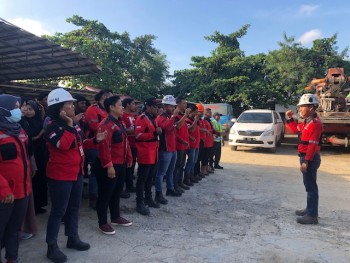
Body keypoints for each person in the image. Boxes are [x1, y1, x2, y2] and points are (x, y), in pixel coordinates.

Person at [44, 88, 106, 263]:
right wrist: (70, 126)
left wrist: (95, 140)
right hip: (60, 175)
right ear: (59, 108)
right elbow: (63, 146)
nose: (73, 106)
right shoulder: (52, 126)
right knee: (58, 211)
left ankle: (73, 238)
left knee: (73, 209)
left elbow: (79, 144)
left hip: (77, 173)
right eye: (69, 103)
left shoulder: (74, 124)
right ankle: (52, 246)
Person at [94, 96, 133, 235]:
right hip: (109, 165)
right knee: (105, 195)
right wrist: (109, 166)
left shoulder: (119, 122)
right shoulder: (105, 124)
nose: (122, 107)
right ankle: (102, 223)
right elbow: (104, 147)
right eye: (120, 105)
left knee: (116, 192)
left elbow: (125, 142)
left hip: (120, 163)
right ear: (111, 107)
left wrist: (128, 157)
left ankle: (115, 217)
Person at [0, 94, 32, 263]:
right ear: (3, 110)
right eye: (15, 107)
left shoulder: (20, 130)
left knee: (14, 229)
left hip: (22, 189)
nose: (19, 110)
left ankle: (12, 258)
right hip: (5, 194)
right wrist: (3, 189)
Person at [285, 93, 323, 225]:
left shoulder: (315, 124)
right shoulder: (307, 122)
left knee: (311, 186)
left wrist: (306, 162)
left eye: (302, 107)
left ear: (311, 107)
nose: (300, 109)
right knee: (308, 186)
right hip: (306, 157)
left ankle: (312, 215)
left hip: (310, 159)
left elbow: (312, 145)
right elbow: (296, 130)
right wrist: (290, 118)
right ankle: (309, 209)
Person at [85, 89, 114, 209]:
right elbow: (94, 126)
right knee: (96, 172)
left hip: (106, 144)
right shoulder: (93, 109)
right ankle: (93, 198)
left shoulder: (107, 110)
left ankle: (102, 197)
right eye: (110, 97)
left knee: (103, 171)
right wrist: (108, 126)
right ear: (104, 97)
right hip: (94, 144)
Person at [134, 97, 162, 215]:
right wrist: (154, 133)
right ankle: (139, 202)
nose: (157, 109)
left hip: (153, 153)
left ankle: (148, 198)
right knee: (142, 179)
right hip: (145, 153)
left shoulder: (153, 119)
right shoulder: (141, 119)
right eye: (155, 107)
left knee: (150, 178)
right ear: (149, 107)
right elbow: (138, 135)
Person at [155, 95, 182, 205]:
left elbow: (174, 130)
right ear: (165, 106)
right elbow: (166, 128)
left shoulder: (170, 117)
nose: (173, 108)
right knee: (161, 172)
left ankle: (170, 189)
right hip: (165, 149)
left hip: (172, 148)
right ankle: (158, 193)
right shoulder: (161, 117)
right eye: (171, 106)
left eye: (173, 106)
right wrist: (173, 117)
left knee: (170, 171)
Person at [25, 100, 48, 214]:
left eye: (31, 109)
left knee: (41, 179)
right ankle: (32, 207)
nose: (28, 112)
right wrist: (39, 135)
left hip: (41, 154)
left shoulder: (39, 121)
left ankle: (39, 204)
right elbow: (27, 138)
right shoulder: (23, 122)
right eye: (27, 109)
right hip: (31, 153)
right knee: (33, 180)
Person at [173, 97, 192, 193]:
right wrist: (185, 115)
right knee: (177, 166)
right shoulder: (176, 114)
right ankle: (175, 185)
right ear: (178, 104)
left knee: (181, 166)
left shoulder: (182, 115)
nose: (186, 105)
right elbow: (178, 126)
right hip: (178, 145)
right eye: (184, 103)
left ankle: (179, 183)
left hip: (184, 145)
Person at [121, 98, 137, 193]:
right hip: (127, 145)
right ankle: (126, 186)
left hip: (134, 144)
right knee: (126, 166)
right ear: (127, 105)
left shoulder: (132, 115)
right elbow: (124, 130)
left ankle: (129, 185)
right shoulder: (123, 115)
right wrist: (137, 130)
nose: (135, 106)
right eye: (133, 104)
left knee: (132, 166)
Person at [184, 104, 201, 184]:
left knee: (194, 161)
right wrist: (195, 120)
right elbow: (190, 130)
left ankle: (191, 176)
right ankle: (186, 179)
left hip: (196, 144)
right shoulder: (187, 120)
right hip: (191, 145)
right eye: (196, 112)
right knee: (190, 162)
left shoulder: (194, 120)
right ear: (192, 112)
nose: (197, 114)